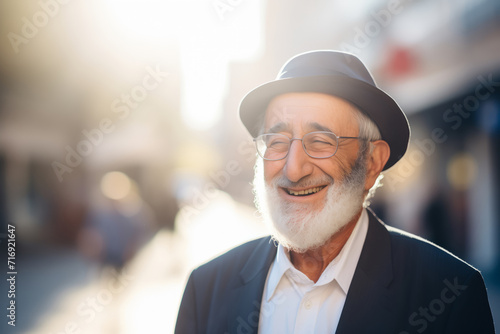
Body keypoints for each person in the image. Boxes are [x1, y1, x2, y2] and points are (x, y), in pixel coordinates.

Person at [175, 51, 495, 334]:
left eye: (320, 142)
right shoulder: (206, 290)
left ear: (371, 162)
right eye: (277, 142)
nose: (293, 169)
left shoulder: (449, 292)